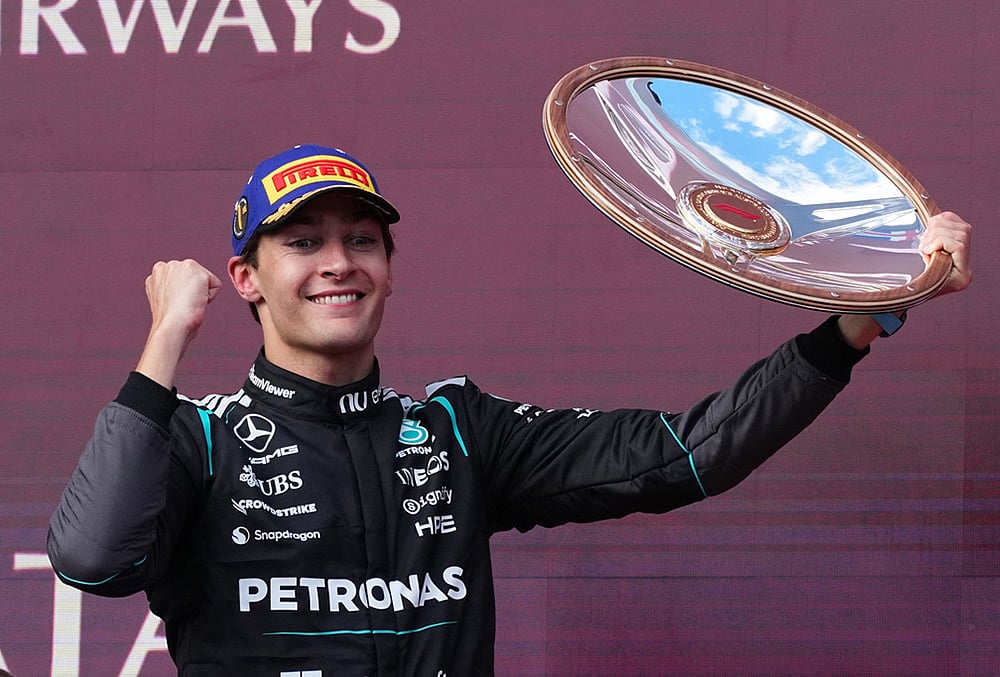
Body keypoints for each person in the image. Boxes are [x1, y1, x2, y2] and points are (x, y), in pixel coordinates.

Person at [47, 144, 972, 676]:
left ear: (390, 270)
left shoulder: (456, 430)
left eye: (362, 240)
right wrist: (167, 335)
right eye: (302, 243)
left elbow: (692, 453)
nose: (339, 262)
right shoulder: (196, 438)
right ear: (247, 277)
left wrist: (855, 320)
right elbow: (92, 559)